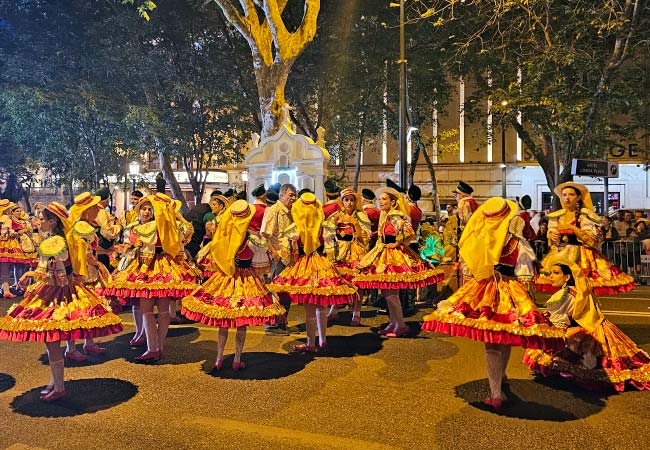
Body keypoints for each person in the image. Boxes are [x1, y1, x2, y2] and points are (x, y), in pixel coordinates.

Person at [421, 197, 565, 410]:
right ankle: (500, 380)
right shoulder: (518, 243)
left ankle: (496, 392)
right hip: (511, 290)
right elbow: (524, 274)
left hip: (483, 290)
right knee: (503, 335)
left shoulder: (479, 241)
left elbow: (470, 270)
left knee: (492, 340)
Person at [0, 202, 122, 401]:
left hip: (56, 293)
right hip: (61, 290)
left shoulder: (56, 243)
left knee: (52, 341)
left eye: (42, 218)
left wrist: (29, 274)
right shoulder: (62, 239)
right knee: (52, 341)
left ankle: (58, 386)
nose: (38, 221)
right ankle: (55, 382)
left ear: (52, 221)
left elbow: (47, 272)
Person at [181, 200, 285, 370]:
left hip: (225, 279)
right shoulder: (254, 239)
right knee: (241, 322)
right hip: (247, 280)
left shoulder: (223, 236)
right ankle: (237, 358)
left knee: (224, 322)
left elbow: (214, 260)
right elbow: (260, 266)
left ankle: (219, 358)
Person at [524, 258, 650, 391]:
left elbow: (557, 324)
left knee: (546, 342)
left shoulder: (562, 295)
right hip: (600, 327)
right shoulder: (579, 290)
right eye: (550, 273)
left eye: (556, 273)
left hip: (588, 331)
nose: (551, 277)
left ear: (567, 277)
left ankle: (564, 370)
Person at [100, 193, 198, 361]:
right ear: (138, 211)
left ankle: (158, 347)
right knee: (147, 310)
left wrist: (172, 212)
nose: (146, 212)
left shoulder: (166, 225)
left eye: (150, 209)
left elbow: (186, 230)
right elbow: (128, 249)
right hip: (143, 268)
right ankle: (152, 347)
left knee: (163, 311)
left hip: (164, 268)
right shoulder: (134, 228)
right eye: (143, 208)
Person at [268, 193, 357, 351]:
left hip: (303, 267)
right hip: (322, 265)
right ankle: (322, 340)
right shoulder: (325, 226)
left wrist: (289, 263)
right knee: (321, 306)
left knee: (309, 309)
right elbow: (332, 249)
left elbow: (287, 254)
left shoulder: (294, 229)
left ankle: (310, 343)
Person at [353, 186, 444, 337]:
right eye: (380, 199)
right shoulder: (387, 215)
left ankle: (400, 324)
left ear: (393, 202)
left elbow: (408, 232)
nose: (381, 202)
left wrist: (397, 242)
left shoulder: (395, 215)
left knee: (391, 293)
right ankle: (394, 323)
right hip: (384, 253)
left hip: (394, 256)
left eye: (384, 199)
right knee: (388, 292)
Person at [535, 182, 634, 295]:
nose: (567, 198)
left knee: (581, 288)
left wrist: (572, 228)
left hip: (582, 256)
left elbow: (590, 239)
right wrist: (553, 236)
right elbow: (551, 236)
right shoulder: (556, 215)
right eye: (564, 195)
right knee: (562, 288)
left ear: (578, 197)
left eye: (571, 194)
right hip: (560, 254)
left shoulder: (585, 215)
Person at [323, 188, 371, 326]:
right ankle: (334, 309)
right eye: (346, 200)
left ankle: (356, 312)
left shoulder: (361, 216)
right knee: (338, 281)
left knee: (357, 283)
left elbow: (366, 236)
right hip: (339, 253)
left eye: (351, 200)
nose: (349, 203)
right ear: (342, 201)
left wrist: (355, 225)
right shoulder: (335, 216)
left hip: (356, 252)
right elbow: (327, 234)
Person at [261, 184, 296, 335]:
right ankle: (272, 324)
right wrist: (274, 253)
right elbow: (265, 235)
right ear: (281, 195)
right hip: (278, 257)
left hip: (289, 257)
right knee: (277, 291)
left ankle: (282, 322)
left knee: (286, 291)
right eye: (290, 195)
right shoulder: (273, 210)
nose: (293, 198)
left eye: (295, 195)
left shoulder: (291, 212)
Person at [0, 202, 37, 298]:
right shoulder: (6, 219)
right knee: (6, 268)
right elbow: (6, 232)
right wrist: (13, 233)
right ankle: (7, 289)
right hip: (7, 243)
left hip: (12, 243)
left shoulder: (9, 219)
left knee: (6, 268)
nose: (19, 212)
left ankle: (7, 289)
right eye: (16, 211)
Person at [93, 187, 122, 270]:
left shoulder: (97, 210)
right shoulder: (101, 212)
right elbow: (107, 232)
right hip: (101, 249)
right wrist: (119, 226)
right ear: (106, 200)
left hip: (97, 248)